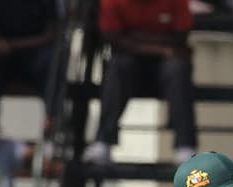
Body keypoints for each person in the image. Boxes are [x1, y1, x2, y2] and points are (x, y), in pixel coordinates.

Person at [82, 0, 198, 165]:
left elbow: (180, 36)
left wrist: (134, 38)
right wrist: (159, 46)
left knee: (178, 69)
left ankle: (185, 146)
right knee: (117, 66)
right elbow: (112, 37)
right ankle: (103, 142)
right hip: (130, 59)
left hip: (165, 62)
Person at [0, 0, 62, 108]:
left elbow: (53, 33)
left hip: (36, 52)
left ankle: (53, 117)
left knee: (52, 63)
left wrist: (14, 45)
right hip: (0, 53)